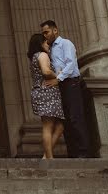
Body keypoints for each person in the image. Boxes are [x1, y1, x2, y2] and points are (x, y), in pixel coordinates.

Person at [41, 19, 91, 157]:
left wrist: (58, 79)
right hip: (61, 86)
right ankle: (73, 153)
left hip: (71, 83)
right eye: (43, 33)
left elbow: (71, 65)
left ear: (55, 30)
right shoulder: (50, 49)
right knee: (66, 121)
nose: (45, 35)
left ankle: (83, 153)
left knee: (76, 118)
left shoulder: (65, 43)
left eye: (47, 32)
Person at [27, 33, 65, 159]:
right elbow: (46, 71)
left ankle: (46, 156)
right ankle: (50, 158)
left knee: (59, 126)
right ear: (41, 44)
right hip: (47, 92)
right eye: (45, 43)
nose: (48, 45)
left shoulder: (34, 57)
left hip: (43, 92)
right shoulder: (42, 55)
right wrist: (59, 75)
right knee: (48, 126)